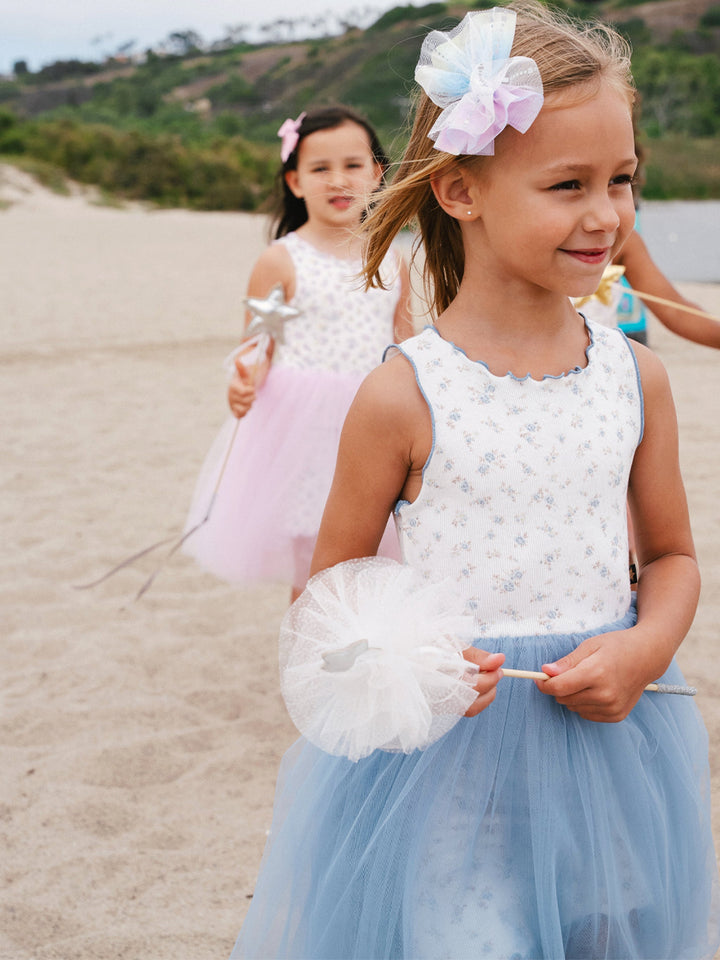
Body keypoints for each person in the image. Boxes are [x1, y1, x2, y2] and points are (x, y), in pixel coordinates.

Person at [230, 6, 720, 958]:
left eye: (623, 181)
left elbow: (670, 556)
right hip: (451, 774)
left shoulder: (635, 375)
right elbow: (331, 596)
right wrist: (412, 664)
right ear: (460, 190)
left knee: (606, 934)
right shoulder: (403, 393)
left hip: (608, 746)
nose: (607, 214)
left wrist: (645, 650)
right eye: (568, 184)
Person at [184, 105, 413, 600]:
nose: (338, 180)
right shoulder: (281, 259)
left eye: (353, 165)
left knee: (376, 561)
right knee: (314, 566)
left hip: (375, 420)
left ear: (377, 173)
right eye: (320, 168)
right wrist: (244, 380)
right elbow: (255, 346)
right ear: (294, 181)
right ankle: (306, 668)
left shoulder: (392, 258)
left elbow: (406, 346)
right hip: (306, 432)